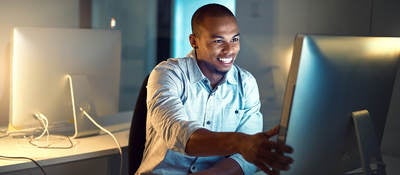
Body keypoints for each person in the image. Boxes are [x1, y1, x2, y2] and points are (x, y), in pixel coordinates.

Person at [136, 3, 293, 175]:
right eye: (218, 41)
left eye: (235, 39)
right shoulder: (167, 74)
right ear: (194, 41)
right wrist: (239, 142)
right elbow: (177, 133)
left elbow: (245, 158)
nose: (229, 50)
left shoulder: (246, 84)